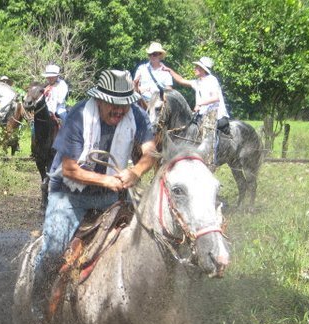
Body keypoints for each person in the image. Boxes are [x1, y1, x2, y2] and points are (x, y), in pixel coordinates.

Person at [32, 69, 158, 307]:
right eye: (113, 104)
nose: (119, 111)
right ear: (99, 99)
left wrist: (136, 171)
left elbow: (150, 151)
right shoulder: (79, 115)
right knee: (54, 249)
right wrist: (106, 181)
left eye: (124, 105)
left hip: (111, 195)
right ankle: (36, 304)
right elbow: (69, 169)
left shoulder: (137, 115)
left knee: (144, 238)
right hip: (69, 194)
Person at [163, 56, 230, 135]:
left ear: (203, 69)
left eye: (197, 67)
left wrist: (199, 104)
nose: (194, 69)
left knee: (206, 139)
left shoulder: (212, 80)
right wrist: (169, 70)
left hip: (215, 115)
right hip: (202, 115)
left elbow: (216, 98)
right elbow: (181, 80)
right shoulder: (197, 82)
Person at [133, 41, 175, 108]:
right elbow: (134, 86)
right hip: (142, 101)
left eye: (154, 54)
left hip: (159, 103)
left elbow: (169, 90)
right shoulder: (141, 69)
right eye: (150, 54)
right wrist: (142, 89)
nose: (152, 56)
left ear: (160, 55)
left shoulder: (166, 72)